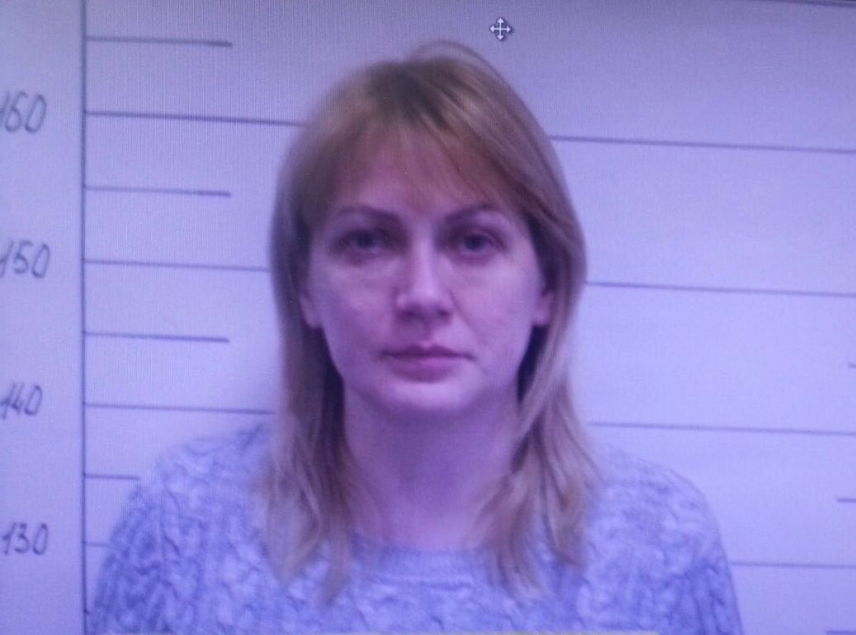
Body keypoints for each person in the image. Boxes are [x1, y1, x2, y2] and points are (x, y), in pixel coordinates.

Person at [90, 43, 742, 634]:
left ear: (548, 283)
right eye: (368, 241)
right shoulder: (181, 528)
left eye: (474, 241)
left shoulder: (660, 550)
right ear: (304, 287)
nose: (423, 294)